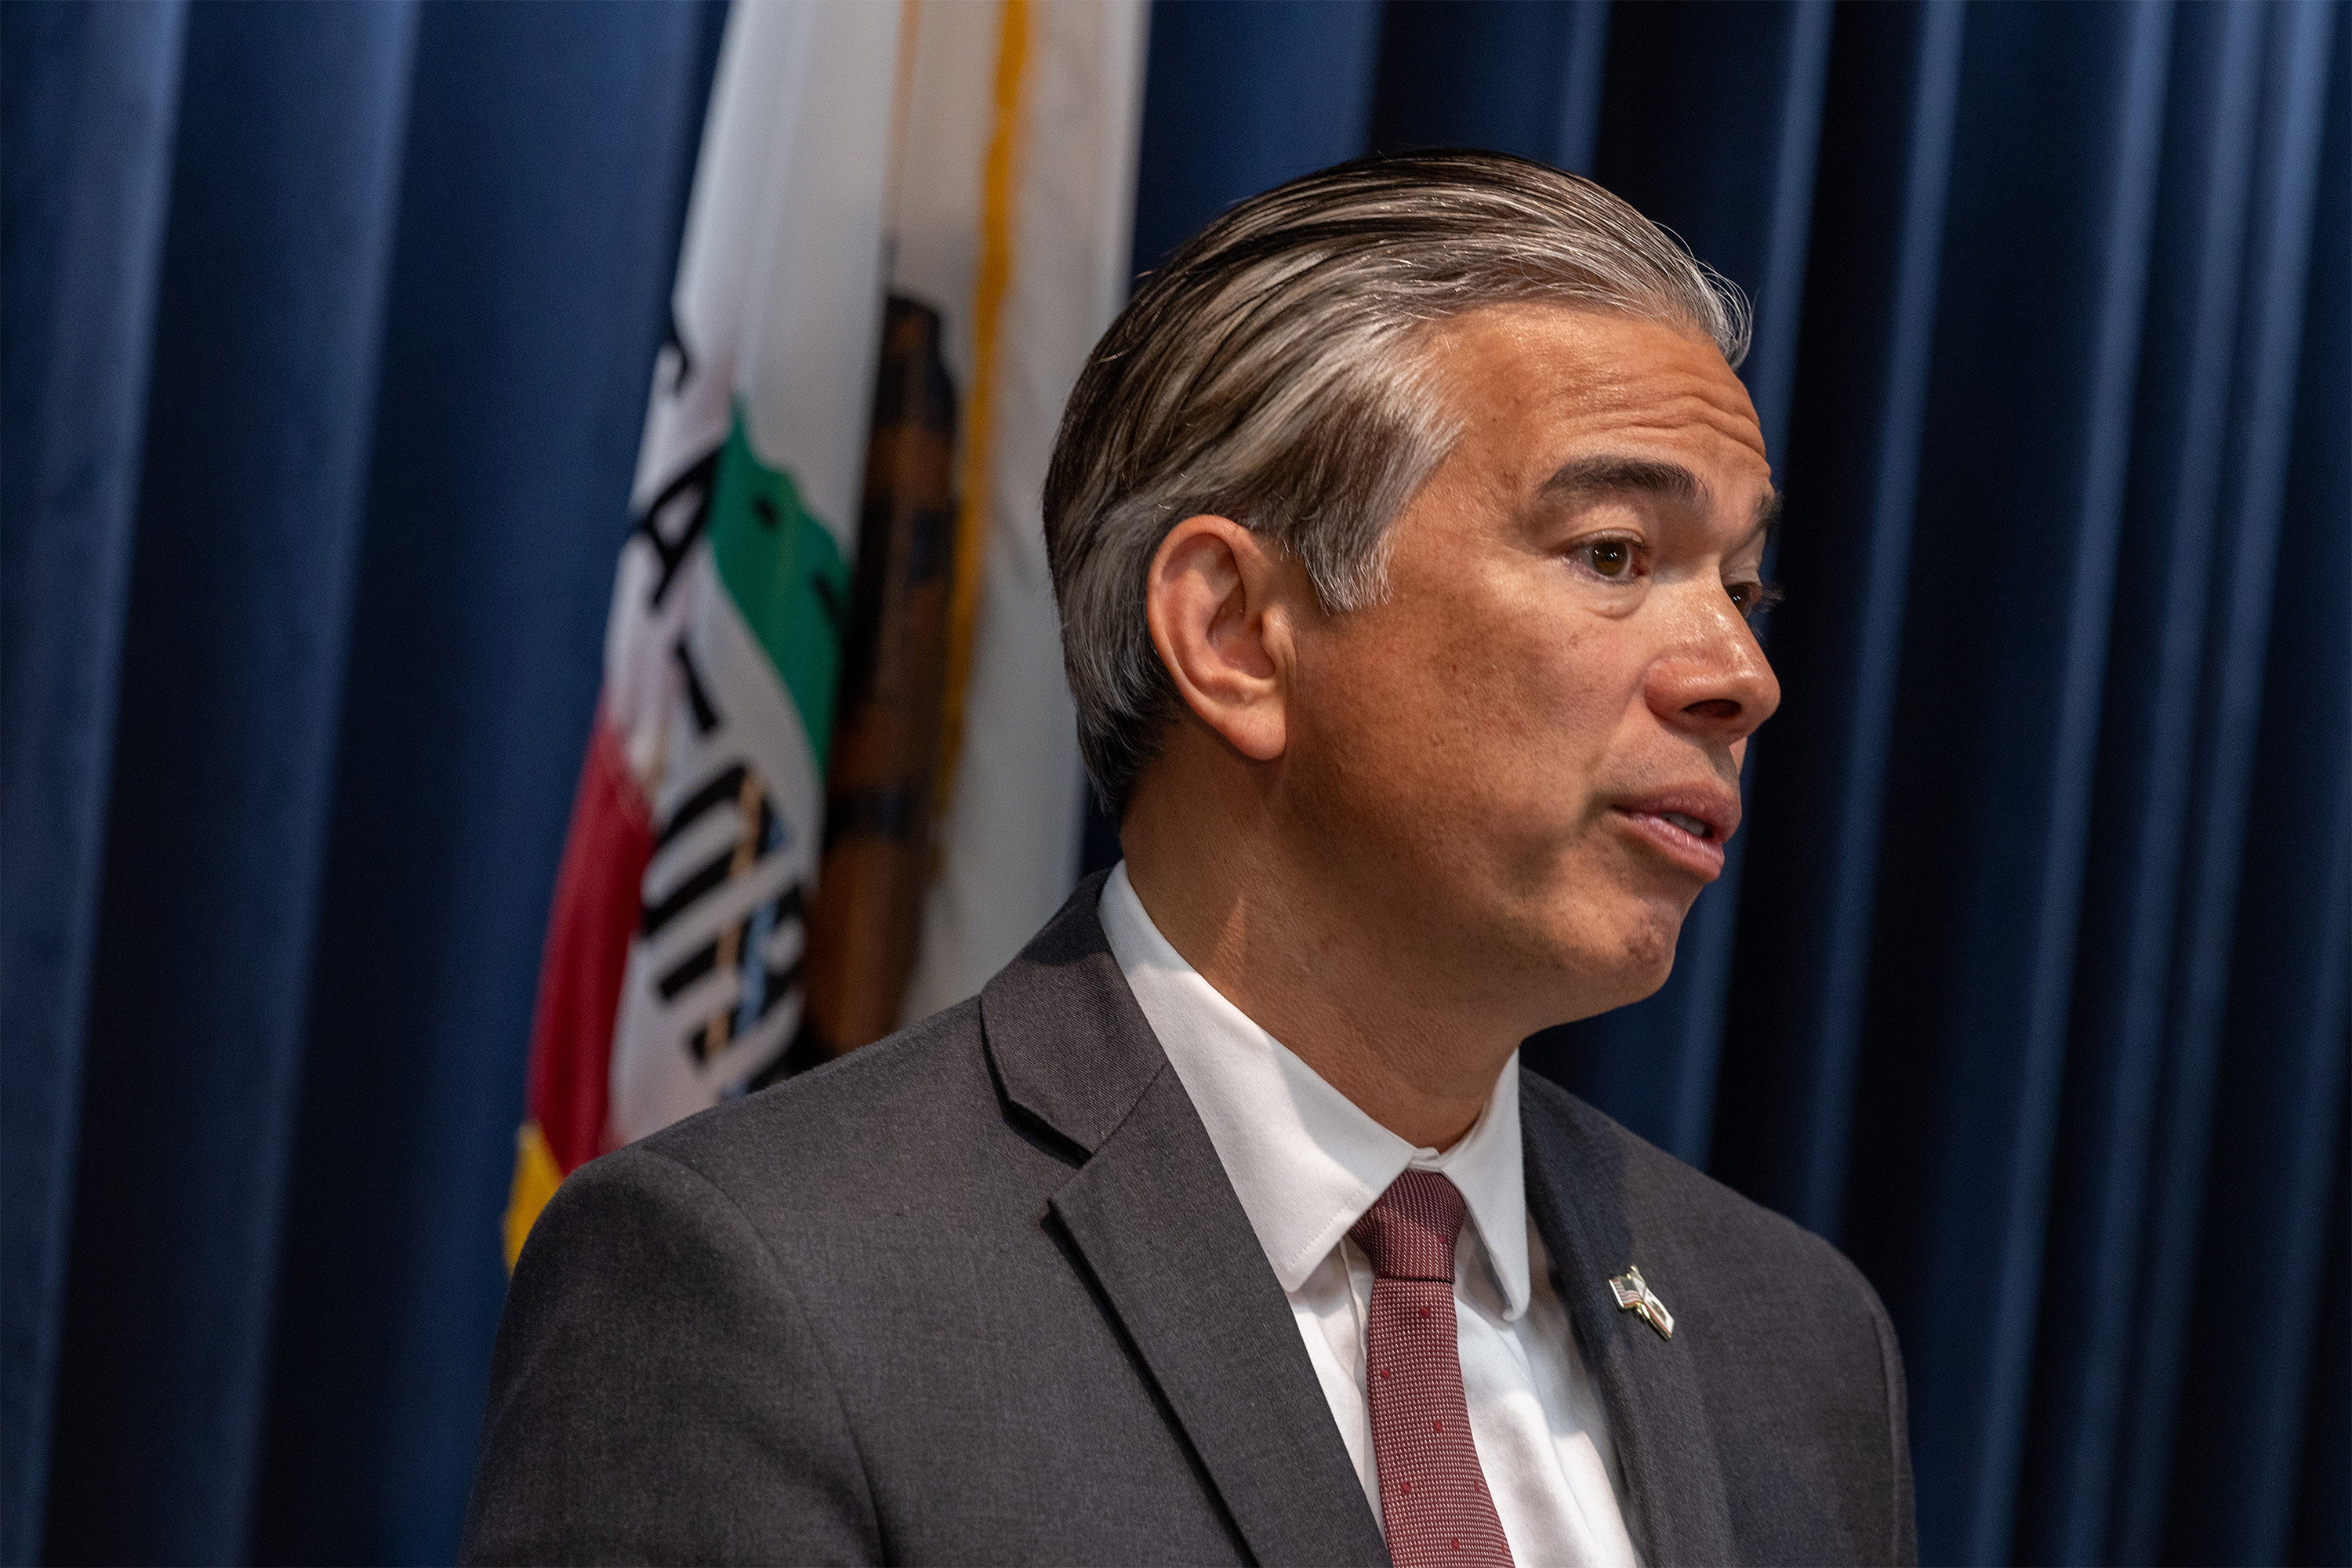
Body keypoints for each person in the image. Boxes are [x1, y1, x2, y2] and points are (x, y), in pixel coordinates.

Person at [463, 150, 1916, 1568]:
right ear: (1233, 633)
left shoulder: (1792, 1339)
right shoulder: (768, 1285)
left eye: (1743, 586)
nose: (1741, 672)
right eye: (1613, 554)